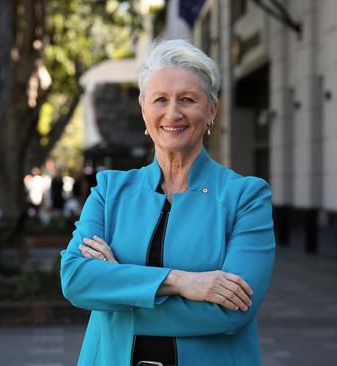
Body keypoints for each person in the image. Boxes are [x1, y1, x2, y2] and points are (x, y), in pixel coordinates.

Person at [61, 39, 275, 366]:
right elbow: (76, 279)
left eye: (187, 99)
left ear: (212, 109)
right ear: (144, 108)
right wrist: (181, 282)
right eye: (160, 99)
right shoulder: (109, 190)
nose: (172, 112)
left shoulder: (246, 197)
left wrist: (117, 291)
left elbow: (232, 312)